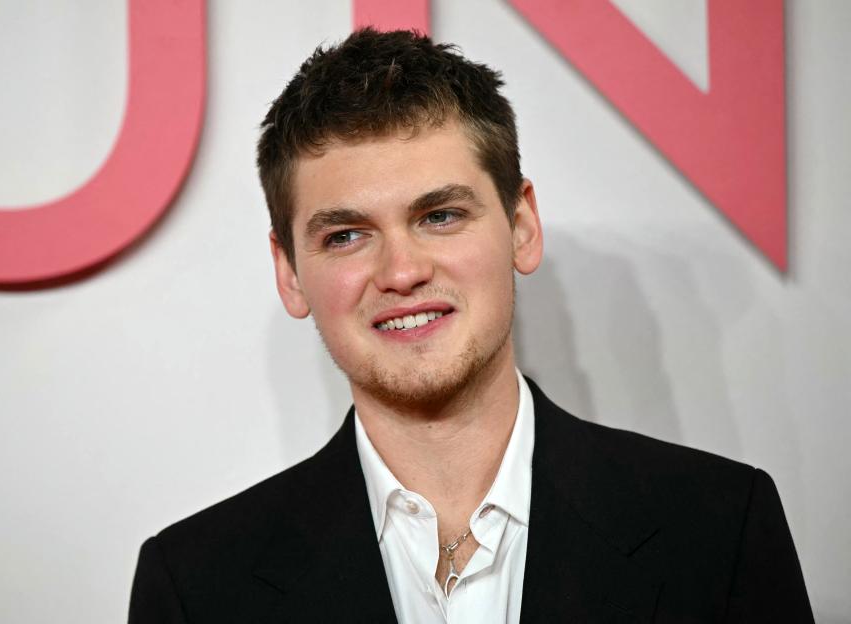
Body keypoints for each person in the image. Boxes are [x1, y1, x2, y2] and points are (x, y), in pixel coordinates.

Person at [129, 29, 812, 623]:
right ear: (289, 272)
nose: (401, 272)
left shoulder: (721, 529)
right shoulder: (195, 585)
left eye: (440, 216)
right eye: (345, 236)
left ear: (522, 226)